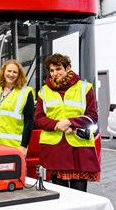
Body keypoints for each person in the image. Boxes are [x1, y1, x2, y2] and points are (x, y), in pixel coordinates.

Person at [34, 53, 100, 192]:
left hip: (79, 148)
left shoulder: (85, 88)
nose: (55, 73)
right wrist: (58, 125)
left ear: (68, 68)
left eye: (58, 69)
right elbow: (39, 118)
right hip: (55, 149)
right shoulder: (44, 91)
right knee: (61, 195)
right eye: (51, 70)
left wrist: (69, 122)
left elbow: (92, 116)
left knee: (80, 195)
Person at [0, 59, 35, 157]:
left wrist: (24, 146)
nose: (11, 74)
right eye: (9, 71)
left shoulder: (26, 92)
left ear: (19, 75)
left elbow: (29, 122)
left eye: (15, 72)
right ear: (3, 72)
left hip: (12, 147)